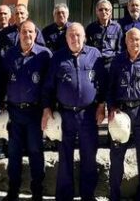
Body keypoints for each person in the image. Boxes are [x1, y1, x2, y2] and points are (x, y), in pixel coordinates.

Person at [42, 22, 107, 201]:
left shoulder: (95, 55)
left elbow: (104, 83)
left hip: (88, 114)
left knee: (89, 156)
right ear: (66, 38)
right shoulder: (57, 57)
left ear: (84, 37)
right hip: (65, 115)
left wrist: (102, 106)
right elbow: (48, 86)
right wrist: (47, 109)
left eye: (78, 35)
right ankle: (64, 196)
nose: (74, 38)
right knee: (65, 157)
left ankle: (88, 195)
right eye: (71, 35)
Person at [0, 20, 52, 201]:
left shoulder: (44, 55)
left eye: (31, 32)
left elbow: (50, 85)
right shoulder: (10, 55)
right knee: (14, 153)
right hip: (14, 113)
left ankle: (37, 192)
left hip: (35, 112)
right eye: (24, 32)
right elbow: (2, 82)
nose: (27, 35)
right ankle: (13, 191)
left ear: (35, 35)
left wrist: (48, 109)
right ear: (19, 34)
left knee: (36, 152)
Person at [107, 28, 140, 201]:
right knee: (116, 156)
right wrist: (112, 108)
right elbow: (110, 87)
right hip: (121, 113)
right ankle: (115, 195)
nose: (134, 42)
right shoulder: (117, 61)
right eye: (131, 39)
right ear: (126, 41)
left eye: (137, 39)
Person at [84, 0, 122, 68]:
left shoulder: (117, 27)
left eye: (106, 9)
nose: (103, 12)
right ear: (96, 12)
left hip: (112, 64)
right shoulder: (90, 28)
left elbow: (119, 49)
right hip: (95, 64)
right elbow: (87, 47)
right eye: (100, 10)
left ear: (110, 11)